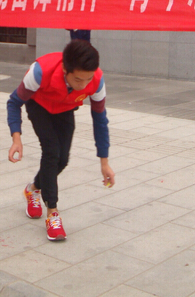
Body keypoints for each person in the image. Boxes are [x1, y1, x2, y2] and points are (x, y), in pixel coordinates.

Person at [7, 39, 115, 241]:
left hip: (65, 108)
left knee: (63, 159)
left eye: (88, 79)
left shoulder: (97, 81)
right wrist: (16, 137)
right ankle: (53, 213)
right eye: (78, 80)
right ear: (66, 69)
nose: (83, 85)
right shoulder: (40, 72)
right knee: (51, 151)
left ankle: (32, 189)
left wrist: (104, 162)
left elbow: (100, 120)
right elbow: (14, 102)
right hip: (39, 105)